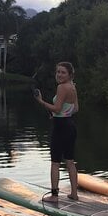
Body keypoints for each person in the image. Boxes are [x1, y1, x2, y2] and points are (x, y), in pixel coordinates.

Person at [35, 62, 79, 202]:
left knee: (55, 162)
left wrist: (40, 101)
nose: (59, 74)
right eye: (58, 72)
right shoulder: (72, 87)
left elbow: (57, 108)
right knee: (70, 162)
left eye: (63, 72)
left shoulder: (61, 87)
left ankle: (54, 196)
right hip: (70, 126)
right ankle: (74, 194)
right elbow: (75, 109)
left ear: (69, 74)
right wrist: (58, 114)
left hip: (60, 128)